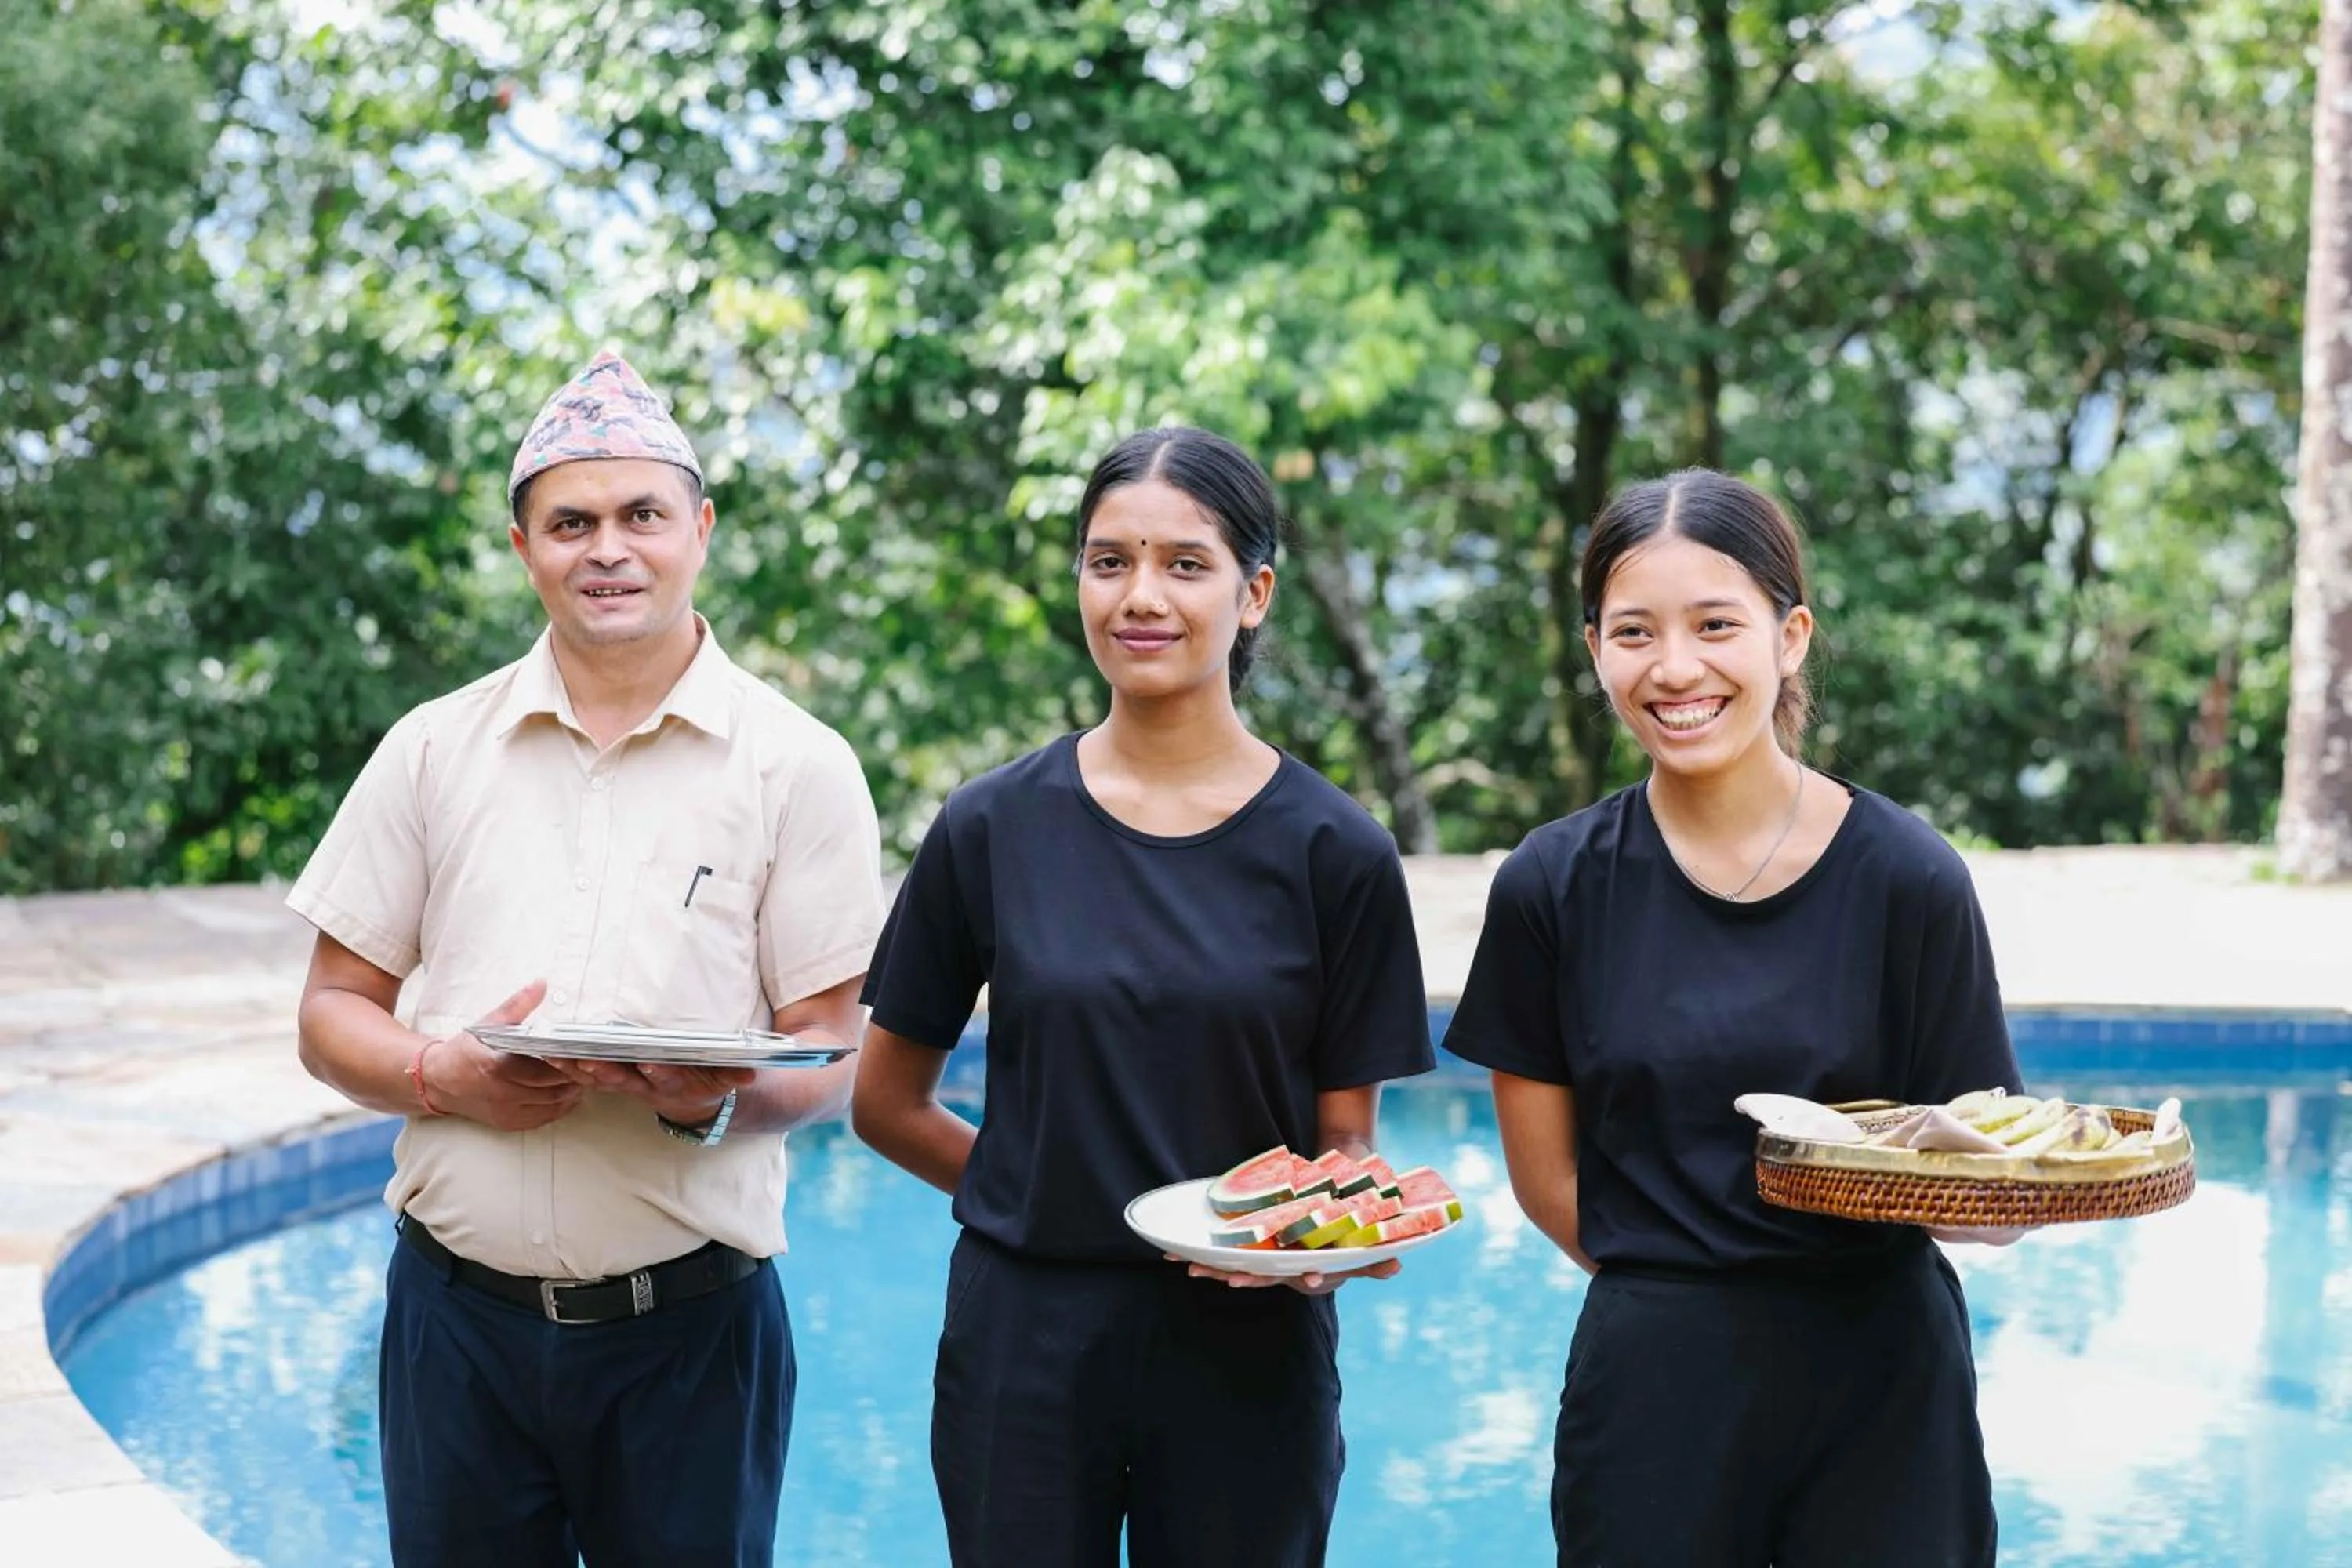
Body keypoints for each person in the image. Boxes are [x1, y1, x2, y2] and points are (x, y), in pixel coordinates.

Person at [288, 350, 885, 1568]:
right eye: (571, 524)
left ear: (700, 531)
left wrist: (710, 1103)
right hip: (454, 1325)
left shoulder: (798, 765)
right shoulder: (432, 749)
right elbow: (331, 1010)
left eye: (641, 516)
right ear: (525, 549)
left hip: (692, 1331)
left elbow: (835, 1051)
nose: (607, 549)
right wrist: (441, 1077)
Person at [849, 426, 1435, 1568]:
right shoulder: (990, 826)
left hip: (1250, 1346)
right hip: (1023, 1341)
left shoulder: (1338, 853)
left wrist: (1323, 1238)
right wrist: (1040, 1200)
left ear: (1254, 594)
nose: (1141, 597)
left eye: (1185, 564)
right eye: (1108, 561)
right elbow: (886, 1104)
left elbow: (1346, 1144)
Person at [1444, 468, 2021, 1567]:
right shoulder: (1551, 885)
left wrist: (2014, 1199)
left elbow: (1981, 1172)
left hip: (1884, 1383)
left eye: (1716, 625)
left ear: (1789, 638)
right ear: (1595, 650)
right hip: (1653, 1389)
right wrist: (1689, 1292)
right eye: (1634, 632)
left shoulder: (1909, 878)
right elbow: (1548, 1180)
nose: (1675, 668)